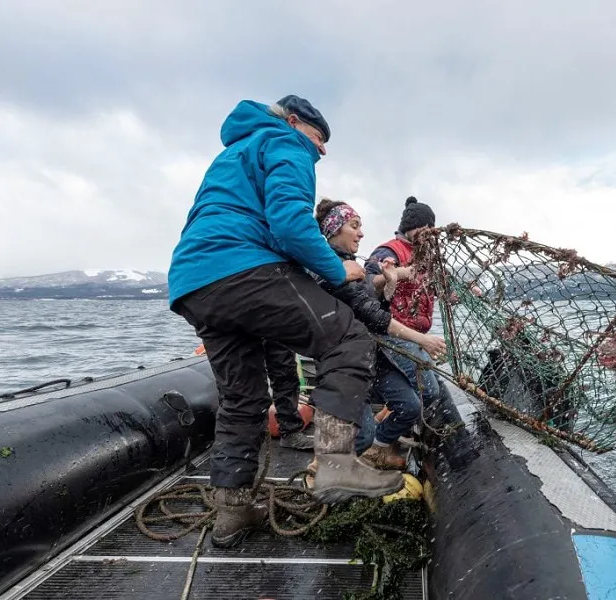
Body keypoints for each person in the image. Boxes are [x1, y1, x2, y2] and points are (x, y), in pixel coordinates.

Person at [167, 95, 403, 549]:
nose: (322, 150)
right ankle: (335, 463)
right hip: (243, 267)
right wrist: (339, 269)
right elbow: (290, 223)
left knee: (242, 398)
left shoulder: (233, 154)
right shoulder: (285, 143)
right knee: (348, 339)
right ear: (293, 122)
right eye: (318, 138)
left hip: (193, 283)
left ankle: (233, 510)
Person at [305, 198, 447, 470]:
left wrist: (389, 285)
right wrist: (423, 340)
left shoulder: (350, 264)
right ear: (334, 229)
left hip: (369, 352)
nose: (361, 233)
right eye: (354, 226)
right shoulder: (331, 268)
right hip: (345, 358)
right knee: (362, 435)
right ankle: (324, 467)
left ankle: (375, 450)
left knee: (410, 405)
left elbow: (372, 299)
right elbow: (371, 313)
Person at [365, 197, 443, 408]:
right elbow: (367, 284)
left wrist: (459, 293)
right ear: (410, 227)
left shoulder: (424, 254)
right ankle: (393, 414)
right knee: (429, 390)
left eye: (430, 230)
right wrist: (397, 274)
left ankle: (395, 412)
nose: (427, 234)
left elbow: (433, 288)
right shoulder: (388, 251)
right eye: (423, 229)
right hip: (392, 332)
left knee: (436, 387)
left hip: (416, 335)